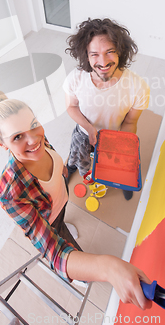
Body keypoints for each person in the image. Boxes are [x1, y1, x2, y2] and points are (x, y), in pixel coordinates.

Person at [0, 91, 152, 310]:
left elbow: (49, 151)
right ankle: (79, 272)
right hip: (49, 218)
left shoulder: (38, 141)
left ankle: (63, 226)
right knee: (61, 235)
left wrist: (62, 171)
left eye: (34, 125)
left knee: (62, 220)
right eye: (17, 137)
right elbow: (55, 253)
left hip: (60, 201)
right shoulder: (10, 192)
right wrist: (108, 267)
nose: (33, 139)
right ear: (2, 144)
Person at [63, 18, 150, 200]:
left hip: (114, 139)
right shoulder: (75, 79)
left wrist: (120, 149)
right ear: (86, 55)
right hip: (83, 133)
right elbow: (71, 106)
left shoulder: (138, 87)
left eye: (109, 52)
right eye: (94, 54)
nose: (102, 62)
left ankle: (122, 180)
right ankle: (71, 167)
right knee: (76, 159)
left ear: (121, 52)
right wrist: (89, 128)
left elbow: (130, 121)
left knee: (116, 170)